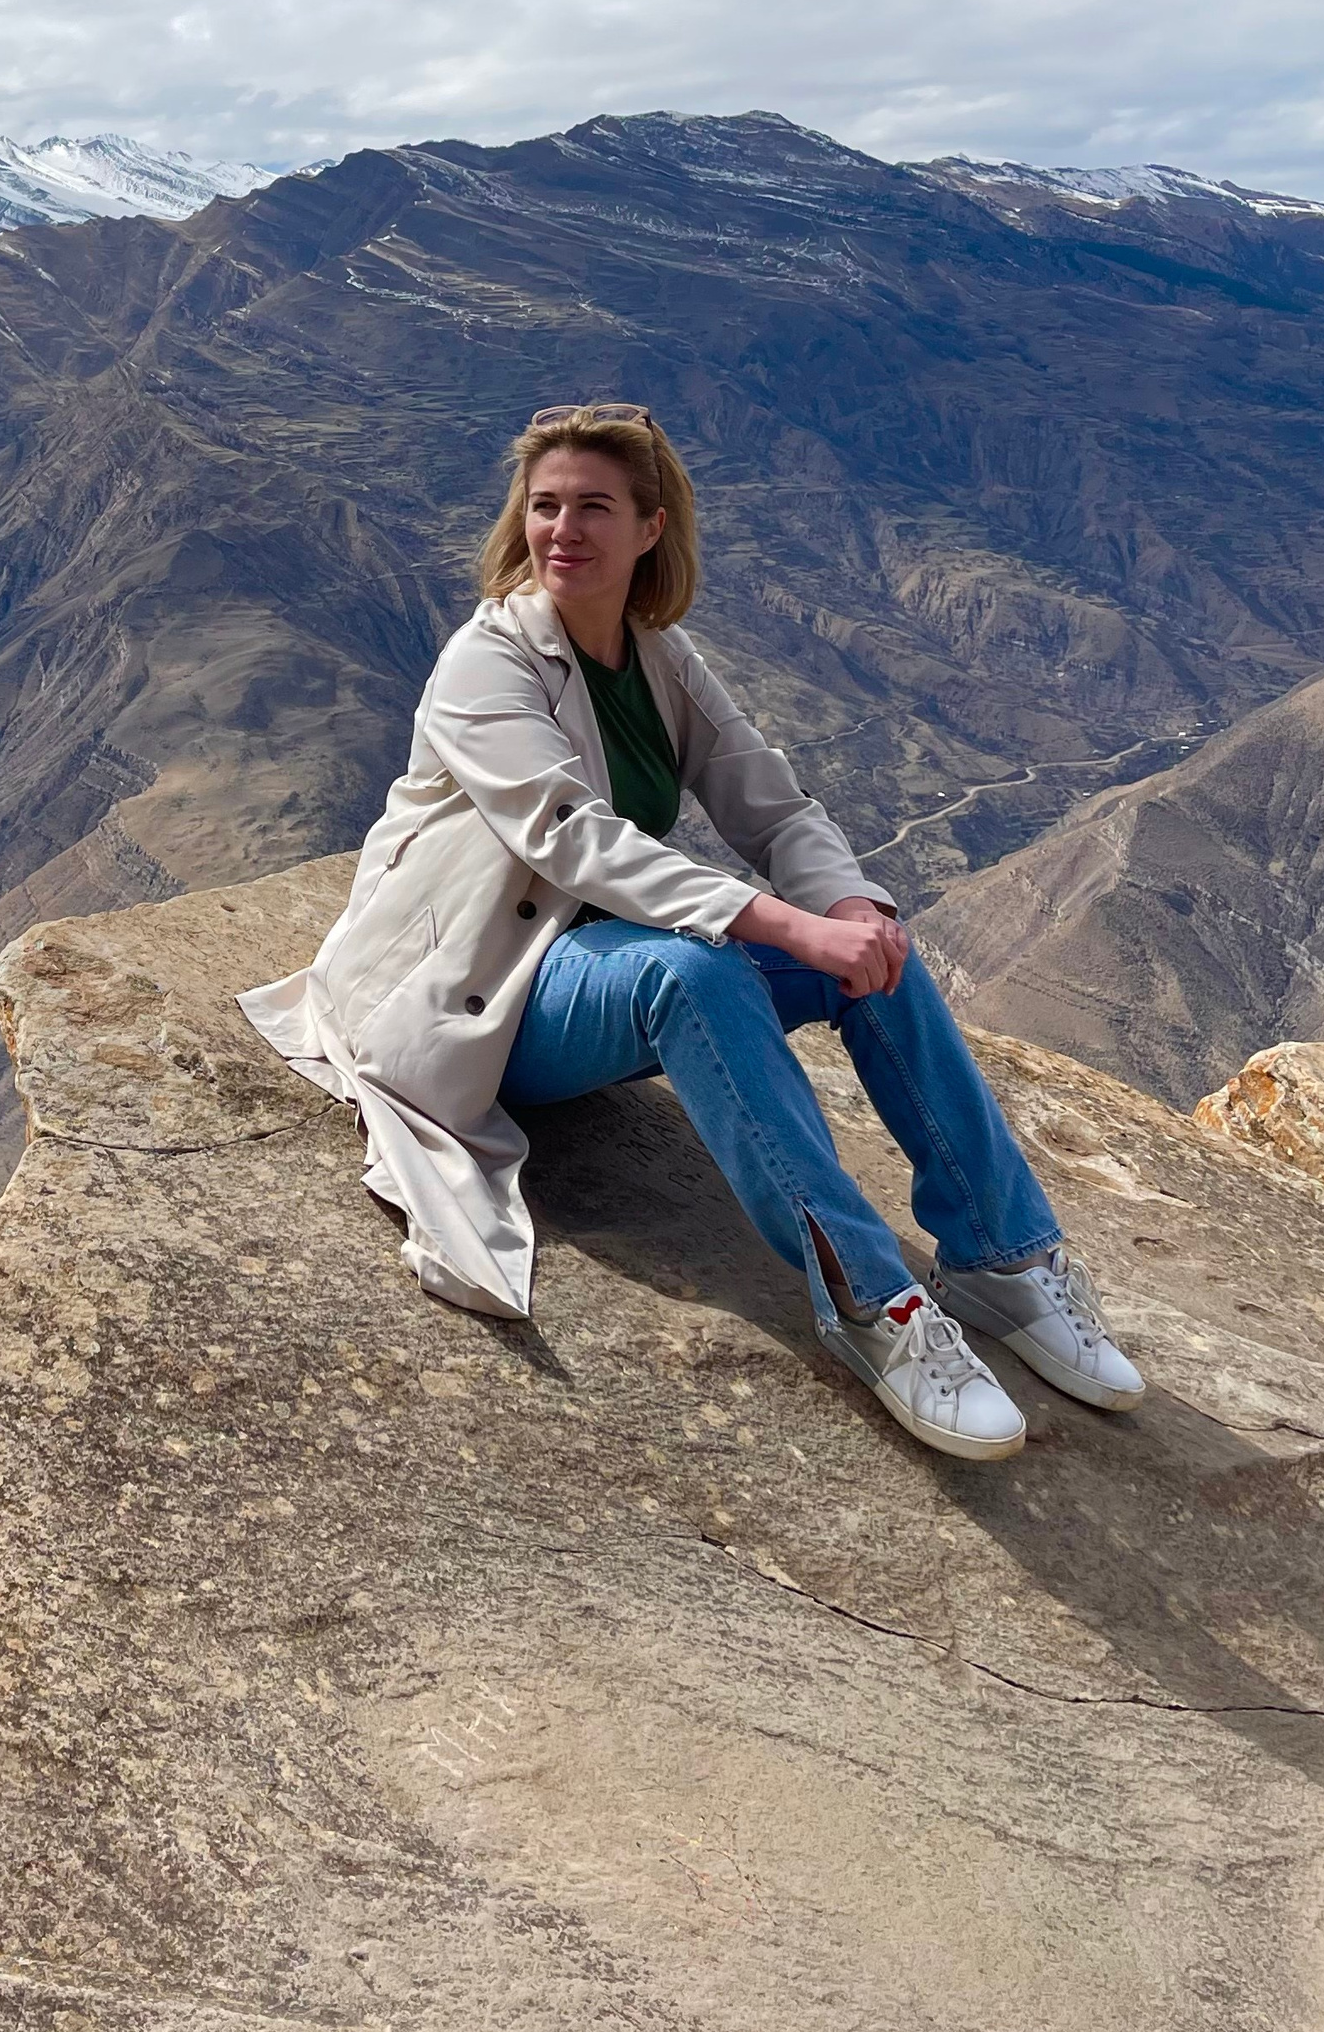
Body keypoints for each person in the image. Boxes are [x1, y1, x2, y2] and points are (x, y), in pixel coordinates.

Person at [240, 401, 1142, 1463]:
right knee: (693, 973)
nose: (562, 529)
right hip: (478, 989)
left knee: (883, 961)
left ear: (650, 527)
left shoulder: (660, 658)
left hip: (590, 968)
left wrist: (849, 908)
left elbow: (775, 806)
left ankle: (1002, 1259)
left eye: (593, 506)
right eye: (543, 506)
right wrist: (786, 929)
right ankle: (875, 1307)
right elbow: (574, 840)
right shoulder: (484, 663)